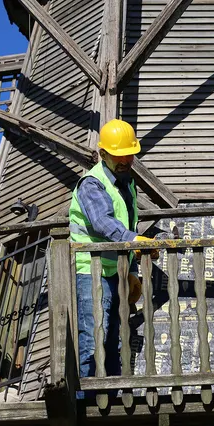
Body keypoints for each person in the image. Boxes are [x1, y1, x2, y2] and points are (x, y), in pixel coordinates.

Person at [69, 119, 157, 381]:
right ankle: (86, 399)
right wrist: (135, 242)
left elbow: (128, 223)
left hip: (116, 272)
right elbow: (103, 222)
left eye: (130, 155)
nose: (126, 160)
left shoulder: (127, 182)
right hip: (91, 270)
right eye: (120, 155)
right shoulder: (91, 184)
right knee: (94, 338)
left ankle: (112, 394)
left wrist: (130, 269)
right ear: (103, 154)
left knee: (115, 340)